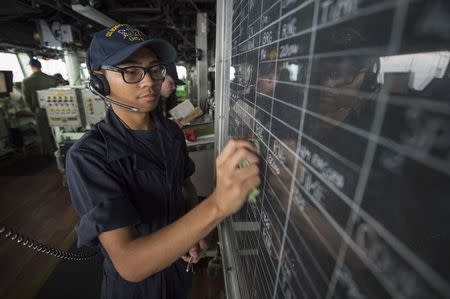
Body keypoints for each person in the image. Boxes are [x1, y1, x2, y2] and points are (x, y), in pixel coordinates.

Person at [65, 24, 260, 299]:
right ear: (99, 80)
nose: (149, 81)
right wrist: (217, 205)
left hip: (178, 276)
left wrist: (194, 229)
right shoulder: (89, 156)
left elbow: (185, 186)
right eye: (131, 71)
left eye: (154, 69)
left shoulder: (170, 132)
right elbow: (130, 264)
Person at [22, 58, 58, 157]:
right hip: (56, 109)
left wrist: (34, 111)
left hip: (40, 111)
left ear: (32, 67)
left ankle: (50, 154)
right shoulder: (52, 79)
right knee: (58, 131)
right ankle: (61, 149)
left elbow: (27, 99)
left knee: (44, 134)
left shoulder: (27, 81)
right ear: (40, 66)